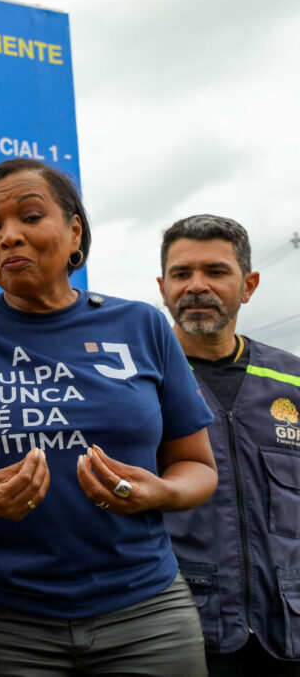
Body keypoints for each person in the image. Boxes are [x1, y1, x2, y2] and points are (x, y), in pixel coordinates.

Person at [0, 158, 218, 676]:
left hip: (144, 607)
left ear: (74, 232)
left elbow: (198, 467)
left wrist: (160, 492)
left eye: (29, 216)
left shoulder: (141, 326)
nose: (9, 237)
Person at [158, 214, 300, 675]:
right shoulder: (138, 383)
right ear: (162, 286)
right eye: (182, 274)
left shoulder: (291, 381)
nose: (196, 286)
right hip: (176, 631)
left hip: (289, 633)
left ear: (249, 284)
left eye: (216, 272)